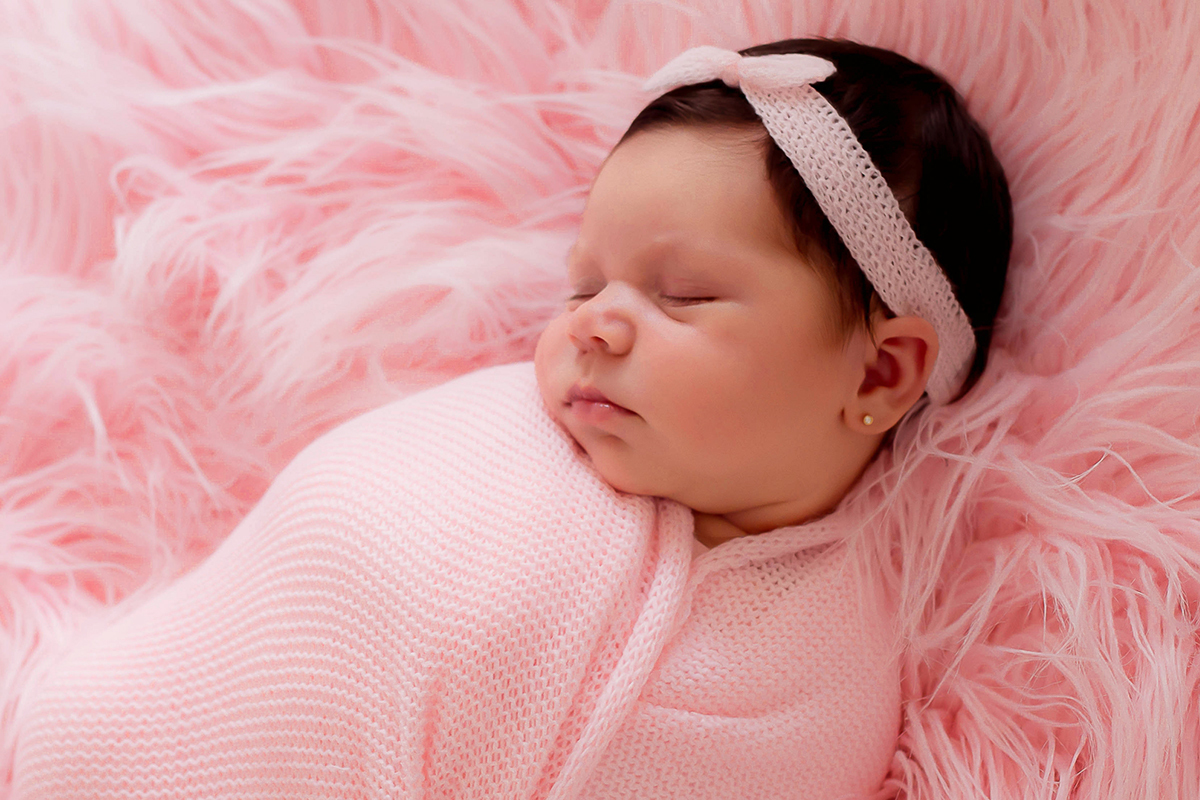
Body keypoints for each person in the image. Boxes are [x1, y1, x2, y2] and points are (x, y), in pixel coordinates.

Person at [13, 38, 1011, 800]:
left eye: (683, 294)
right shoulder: (485, 442)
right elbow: (320, 556)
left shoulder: (827, 679)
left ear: (881, 368)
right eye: (585, 285)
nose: (596, 325)